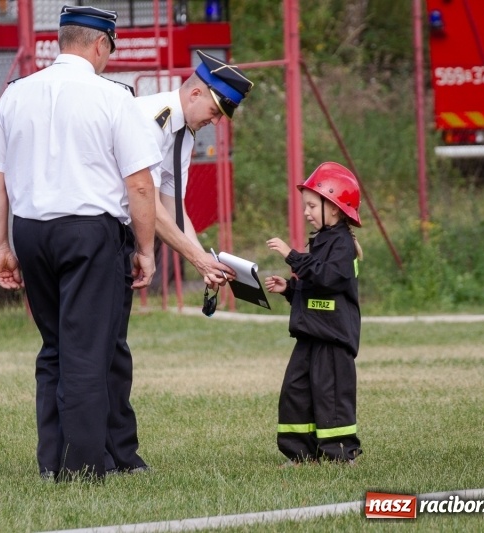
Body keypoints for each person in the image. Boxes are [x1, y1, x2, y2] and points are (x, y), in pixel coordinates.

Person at [0, 5, 161, 482]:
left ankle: (52, 460)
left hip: (32, 231)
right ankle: (82, 467)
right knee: (88, 351)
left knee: (54, 347)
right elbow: (139, 186)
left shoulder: (17, 94)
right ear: (100, 44)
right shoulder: (113, 97)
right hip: (89, 232)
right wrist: (146, 249)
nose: (109, 59)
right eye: (110, 50)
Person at [104, 52, 254, 474]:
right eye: (215, 109)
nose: (217, 121)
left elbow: (175, 209)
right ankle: (98, 454)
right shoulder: (152, 117)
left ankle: (120, 454)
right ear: (193, 92)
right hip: (100, 233)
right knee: (101, 351)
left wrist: (206, 260)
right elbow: (147, 203)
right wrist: (195, 258)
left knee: (115, 351)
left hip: (121, 238)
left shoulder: (183, 132)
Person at [263, 161, 364, 466]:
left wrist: (290, 255)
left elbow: (326, 278)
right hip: (311, 334)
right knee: (296, 391)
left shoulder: (343, 245)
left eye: (311, 205)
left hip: (333, 338)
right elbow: (314, 289)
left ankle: (340, 454)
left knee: (331, 396)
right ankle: (302, 454)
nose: (306, 212)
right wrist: (290, 291)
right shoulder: (321, 241)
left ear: (334, 208)